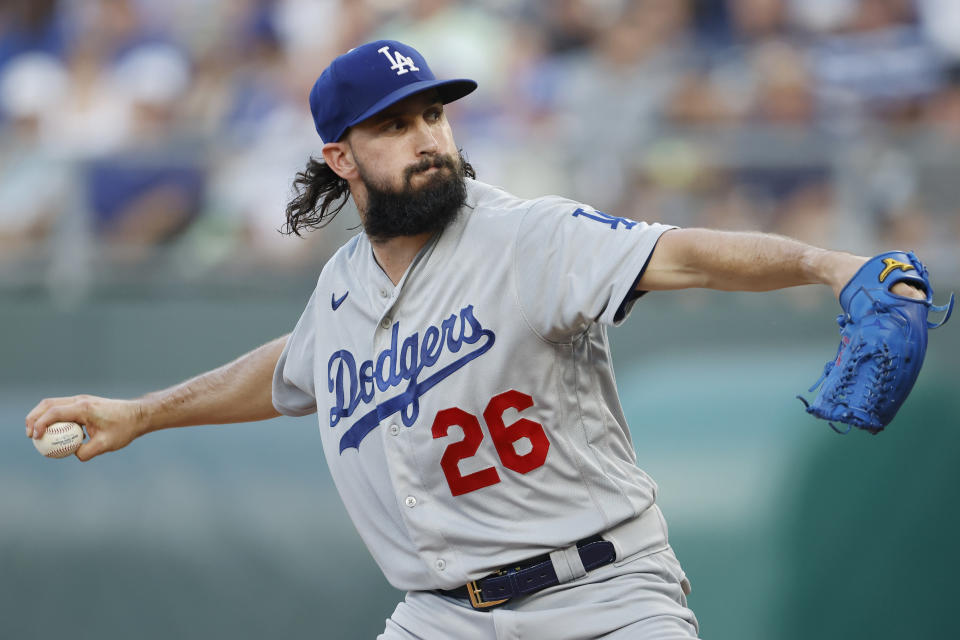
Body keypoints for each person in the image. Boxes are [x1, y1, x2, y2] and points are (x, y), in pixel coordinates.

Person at [25, 40, 925, 639]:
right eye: (394, 125)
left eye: (434, 116)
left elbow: (682, 255)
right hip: (439, 619)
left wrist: (824, 263)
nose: (428, 140)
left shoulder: (526, 235)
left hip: (604, 599)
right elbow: (294, 370)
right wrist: (139, 414)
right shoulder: (340, 289)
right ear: (341, 156)